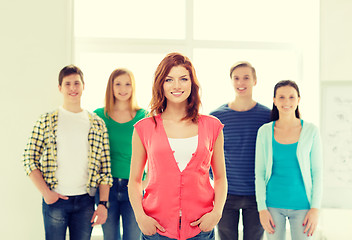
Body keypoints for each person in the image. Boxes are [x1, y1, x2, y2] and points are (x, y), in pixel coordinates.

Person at [128, 52, 227, 240]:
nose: (176, 86)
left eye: (183, 79)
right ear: (161, 84)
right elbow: (134, 180)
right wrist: (141, 218)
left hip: (200, 229)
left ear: (192, 83)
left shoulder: (213, 126)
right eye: (169, 80)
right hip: (156, 229)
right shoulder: (144, 128)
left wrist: (216, 213)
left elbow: (220, 177)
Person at [23, 65, 113, 240]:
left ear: (83, 86)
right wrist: (46, 193)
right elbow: (29, 158)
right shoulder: (46, 120)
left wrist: (103, 204)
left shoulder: (97, 123)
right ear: (60, 88)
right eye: (68, 84)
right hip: (56, 201)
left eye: (77, 83)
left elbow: (105, 168)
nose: (73, 88)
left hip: (86, 201)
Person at [255, 80, 323, 240]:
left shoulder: (311, 131)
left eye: (291, 97)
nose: (286, 102)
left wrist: (315, 209)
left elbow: (317, 173)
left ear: (299, 100)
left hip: (303, 206)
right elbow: (259, 173)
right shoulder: (264, 132)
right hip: (272, 206)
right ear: (274, 100)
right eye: (281, 97)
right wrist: (262, 208)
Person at [210, 61, 270, 240]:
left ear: (255, 81)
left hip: (257, 194)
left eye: (246, 78)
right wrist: (215, 179)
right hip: (226, 194)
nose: (241, 82)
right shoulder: (217, 117)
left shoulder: (267, 116)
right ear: (231, 81)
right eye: (236, 78)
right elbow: (208, 154)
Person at [94, 68, 147, 240]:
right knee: (110, 237)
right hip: (105, 189)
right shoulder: (98, 116)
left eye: (127, 84)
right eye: (118, 84)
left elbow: (155, 153)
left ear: (133, 88)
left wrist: (146, 182)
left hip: (134, 186)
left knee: (133, 237)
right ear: (111, 87)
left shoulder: (143, 116)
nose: (123, 89)